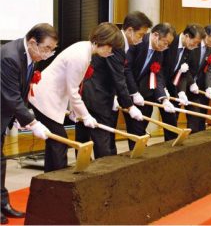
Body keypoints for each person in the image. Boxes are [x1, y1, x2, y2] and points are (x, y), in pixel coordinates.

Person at [28, 22, 123, 172]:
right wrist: (85, 116)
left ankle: (50, 180)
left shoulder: (84, 49)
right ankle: (58, 181)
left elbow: (74, 87)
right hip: (44, 98)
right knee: (59, 142)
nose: (111, 51)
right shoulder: (81, 56)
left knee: (55, 142)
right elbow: (73, 91)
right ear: (104, 42)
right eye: (111, 47)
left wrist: (75, 111)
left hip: (50, 97)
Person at [1, 23, 58, 224]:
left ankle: (3, 204)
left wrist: (19, 117)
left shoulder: (30, 55)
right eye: (46, 49)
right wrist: (32, 122)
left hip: (5, 113)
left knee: (0, 161)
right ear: (33, 42)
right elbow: (10, 95)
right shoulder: (10, 56)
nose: (48, 54)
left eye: (52, 50)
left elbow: (22, 90)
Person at [75, 11, 152, 158]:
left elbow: (114, 74)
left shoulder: (120, 42)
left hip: (92, 92)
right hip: (96, 95)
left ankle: (82, 173)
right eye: (140, 35)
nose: (141, 40)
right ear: (129, 31)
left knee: (84, 138)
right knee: (101, 141)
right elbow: (119, 77)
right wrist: (129, 106)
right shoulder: (118, 43)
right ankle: (96, 174)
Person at [124, 23, 177, 150]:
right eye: (164, 42)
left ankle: (140, 154)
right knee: (136, 130)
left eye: (168, 44)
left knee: (141, 128)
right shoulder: (137, 42)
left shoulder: (160, 51)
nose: (166, 47)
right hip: (126, 90)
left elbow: (157, 74)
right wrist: (134, 92)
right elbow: (126, 70)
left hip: (146, 94)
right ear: (155, 35)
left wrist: (163, 98)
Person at [162, 23, 205, 121]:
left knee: (172, 121)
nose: (195, 46)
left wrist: (182, 91)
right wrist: (162, 88)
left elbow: (184, 71)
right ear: (186, 36)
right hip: (159, 85)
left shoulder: (189, 48)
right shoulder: (170, 42)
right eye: (195, 42)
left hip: (173, 88)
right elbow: (160, 67)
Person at [185, 24, 211, 132]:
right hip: (184, 83)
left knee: (197, 118)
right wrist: (191, 82)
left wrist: (209, 86)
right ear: (205, 35)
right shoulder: (192, 43)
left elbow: (209, 67)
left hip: (198, 86)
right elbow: (184, 66)